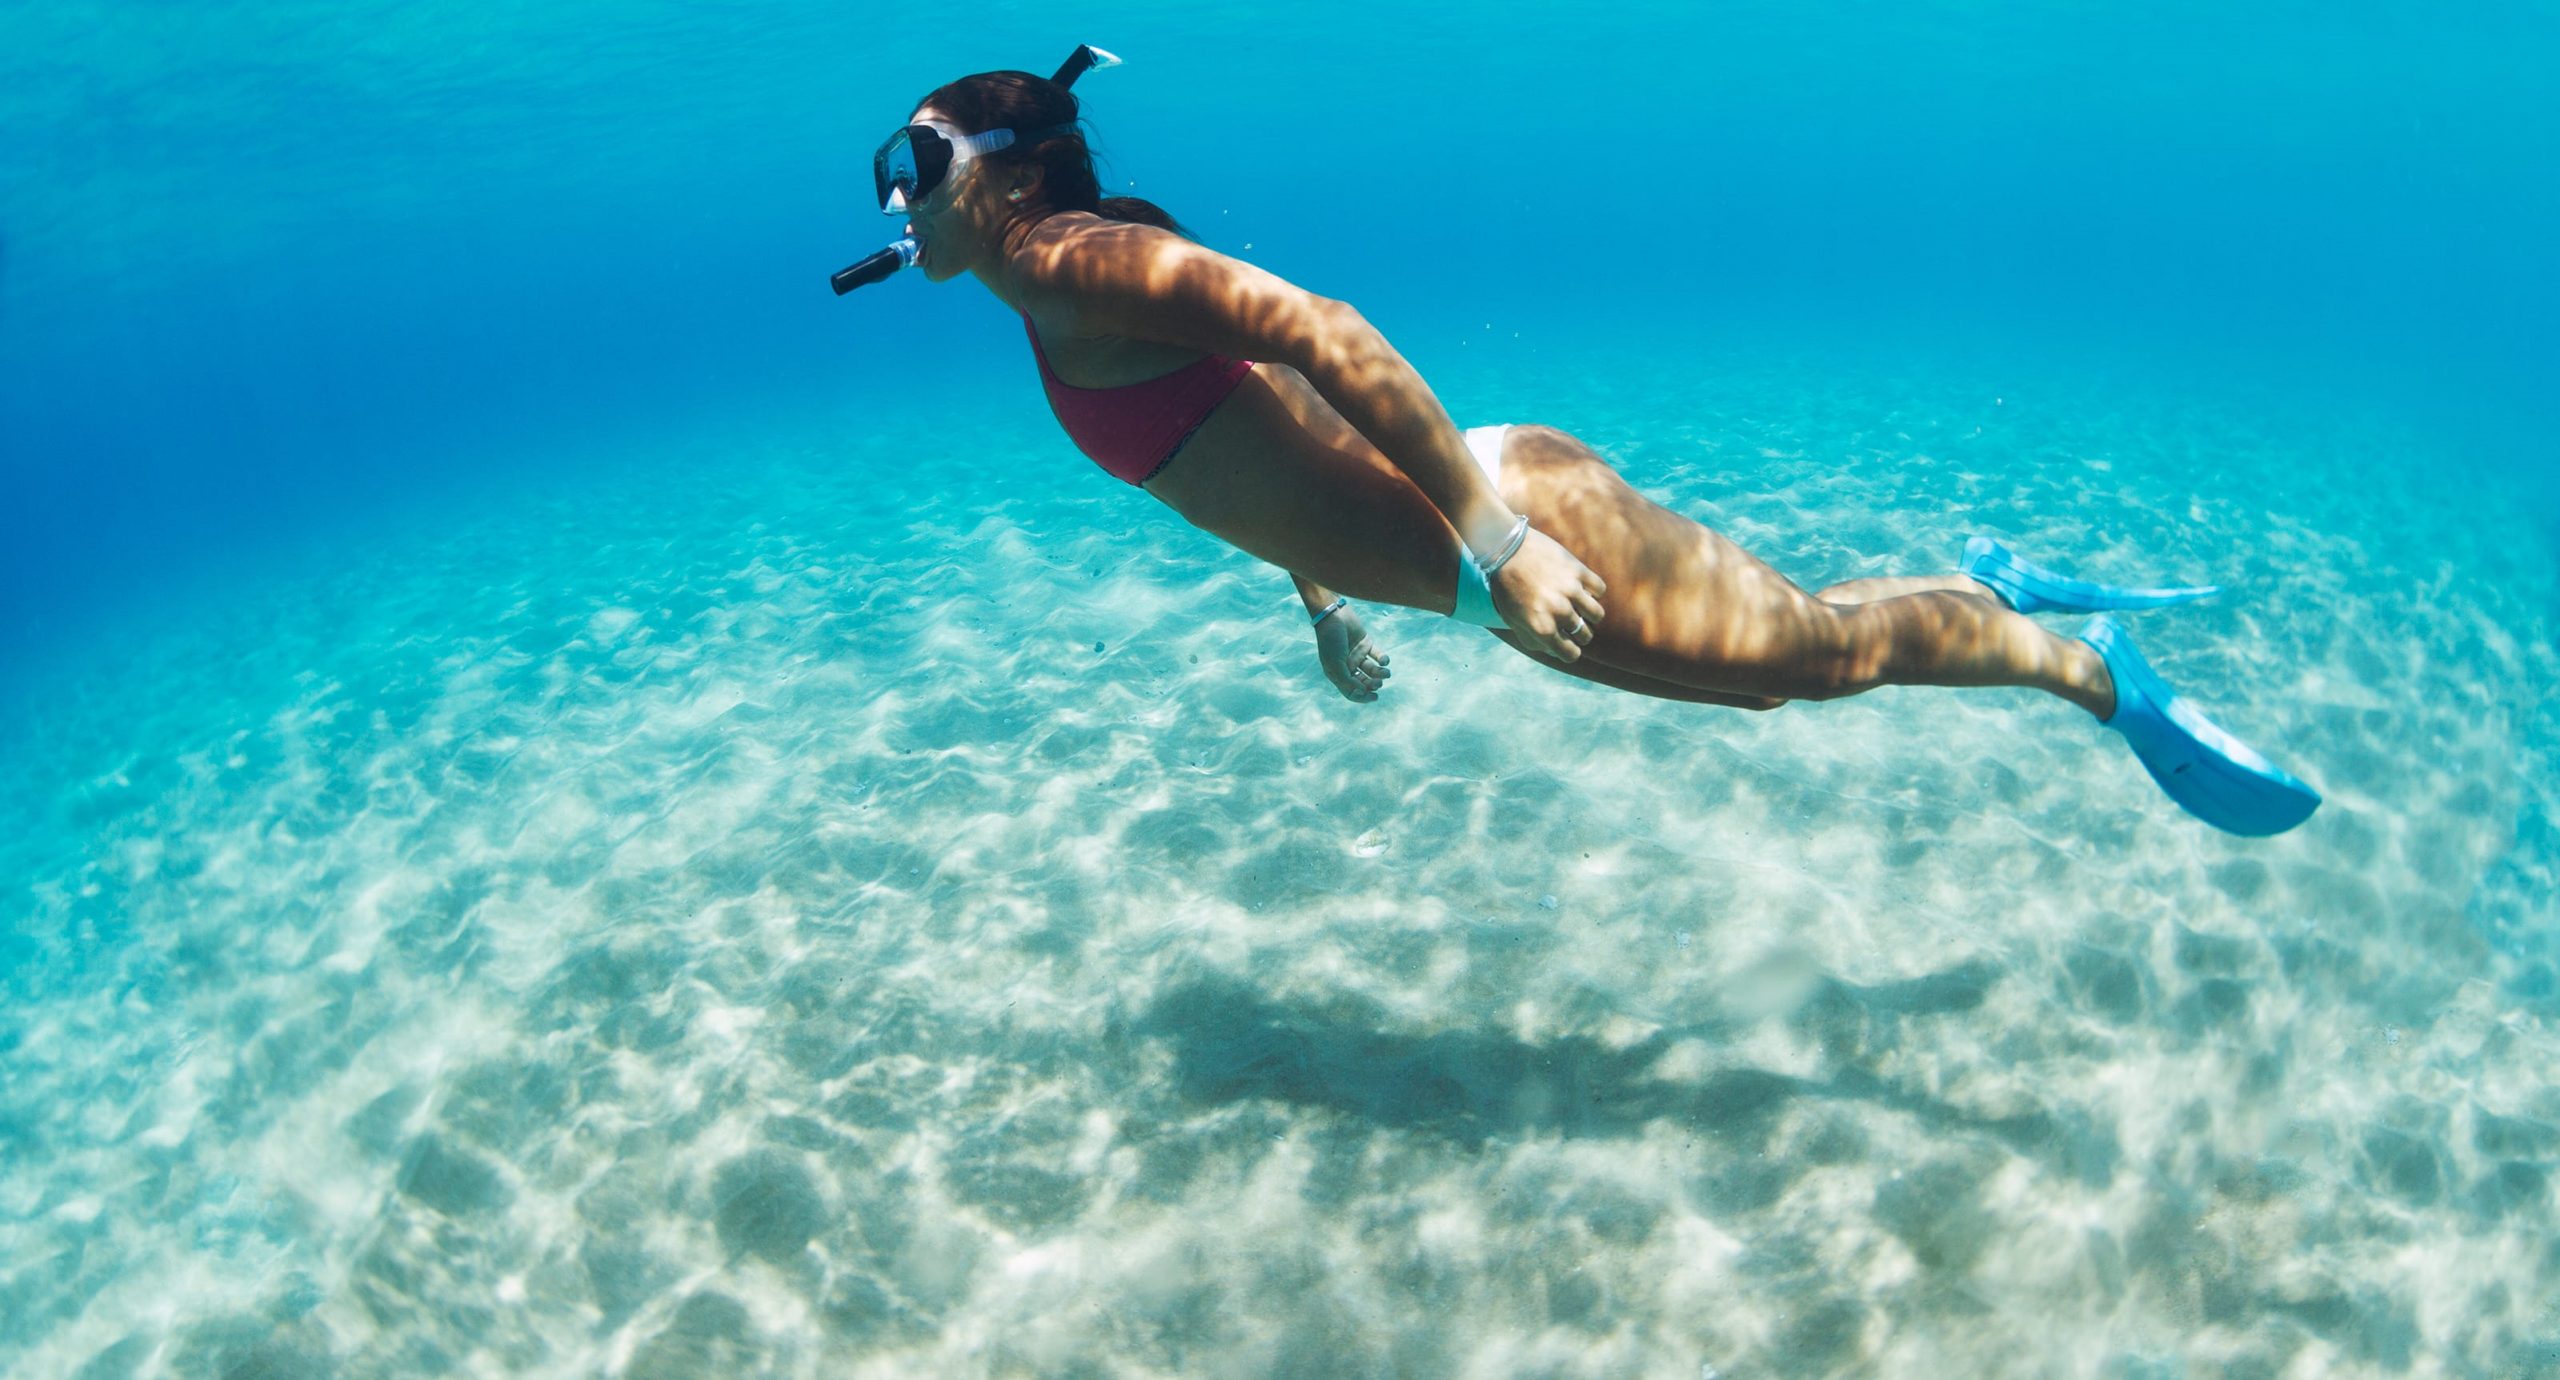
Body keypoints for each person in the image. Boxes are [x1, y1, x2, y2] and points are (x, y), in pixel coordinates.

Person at [858, 50, 2319, 836]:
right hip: (1477, 545)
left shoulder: (1064, 263)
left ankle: (2094, 673)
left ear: (1008, 173)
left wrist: (1501, 546)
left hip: (1511, 529)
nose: (896, 200)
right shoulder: (1062, 289)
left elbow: (1326, 331)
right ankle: (1994, 591)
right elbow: (1255, 433)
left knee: (1820, 659)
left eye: (915, 163)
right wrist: (1323, 601)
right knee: (1786, 671)